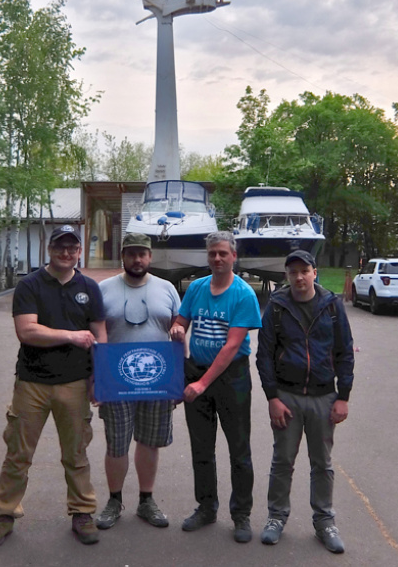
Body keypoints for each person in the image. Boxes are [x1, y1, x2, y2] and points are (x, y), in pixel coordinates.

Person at [0, 224, 106, 549]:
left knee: (76, 454)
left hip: (76, 384)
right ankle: (4, 514)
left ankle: (82, 512)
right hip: (32, 384)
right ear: (50, 249)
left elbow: (100, 334)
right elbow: (27, 331)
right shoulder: (30, 285)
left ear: (79, 251)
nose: (66, 252)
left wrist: (100, 379)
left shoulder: (90, 288)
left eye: (72, 247)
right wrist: (70, 335)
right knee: (18, 454)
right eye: (60, 246)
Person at [255, 250, 354, 553]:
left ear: (314, 272)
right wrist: (272, 397)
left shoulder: (332, 306)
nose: (299, 277)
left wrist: (343, 397)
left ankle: (324, 520)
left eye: (304, 271)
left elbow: (344, 352)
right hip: (287, 396)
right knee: (283, 460)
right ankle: (276, 517)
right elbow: (264, 355)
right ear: (286, 276)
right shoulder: (277, 306)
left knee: (322, 463)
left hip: (324, 396)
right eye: (292, 272)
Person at [169, 231, 261, 544]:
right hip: (196, 370)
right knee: (202, 448)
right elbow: (182, 319)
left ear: (234, 256)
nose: (217, 259)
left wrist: (200, 384)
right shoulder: (195, 288)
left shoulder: (244, 294)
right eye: (212, 254)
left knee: (239, 449)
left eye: (223, 253)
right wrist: (177, 329)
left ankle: (241, 515)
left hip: (231, 378)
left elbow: (231, 347)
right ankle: (206, 507)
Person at [94, 233, 181, 531]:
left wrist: (178, 379)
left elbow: (178, 329)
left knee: (149, 442)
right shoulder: (103, 289)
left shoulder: (167, 289)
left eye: (142, 253)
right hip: (116, 381)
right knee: (116, 445)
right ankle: (114, 500)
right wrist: (96, 379)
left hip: (157, 379)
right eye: (131, 253)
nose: (137, 259)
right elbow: (95, 335)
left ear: (150, 256)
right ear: (122, 256)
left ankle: (146, 500)